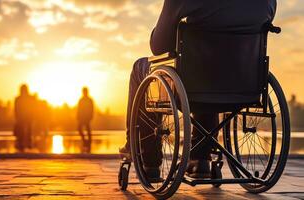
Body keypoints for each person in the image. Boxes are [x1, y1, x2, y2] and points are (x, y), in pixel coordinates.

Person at [120, 0, 277, 179]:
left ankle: (147, 159)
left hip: (195, 82)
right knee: (209, 73)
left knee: (140, 68)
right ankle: (200, 158)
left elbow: (159, 47)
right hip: (245, 83)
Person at [14, 84, 34, 152]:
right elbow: (16, 109)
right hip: (22, 118)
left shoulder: (29, 98)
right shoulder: (18, 99)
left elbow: (33, 108)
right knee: (21, 132)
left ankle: (27, 144)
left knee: (28, 132)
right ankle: (21, 144)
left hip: (27, 118)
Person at [77, 87, 94, 153]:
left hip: (87, 117)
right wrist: (78, 116)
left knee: (88, 129)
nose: (84, 93)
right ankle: (85, 141)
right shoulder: (81, 100)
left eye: (85, 91)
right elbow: (79, 108)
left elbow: (92, 108)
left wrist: (91, 116)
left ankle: (89, 142)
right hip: (82, 117)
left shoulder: (89, 100)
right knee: (79, 129)